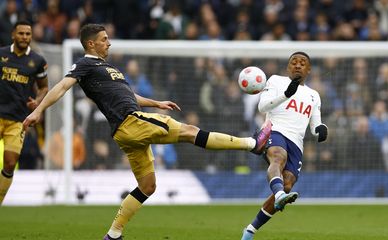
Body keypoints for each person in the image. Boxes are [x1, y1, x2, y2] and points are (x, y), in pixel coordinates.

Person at [22, 24, 271, 240]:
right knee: (189, 131)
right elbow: (62, 86)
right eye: (104, 39)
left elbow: (128, 95)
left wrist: (157, 103)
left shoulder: (108, 69)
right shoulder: (85, 64)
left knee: (147, 186)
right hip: (131, 123)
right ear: (91, 43)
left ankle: (113, 233)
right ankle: (252, 144)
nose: (108, 42)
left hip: (127, 131)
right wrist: (38, 112)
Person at [241, 52, 328, 240]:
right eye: (294, 62)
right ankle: (279, 193)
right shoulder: (275, 81)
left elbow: (315, 124)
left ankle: (250, 230)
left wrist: (321, 130)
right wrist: (286, 93)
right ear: (288, 67)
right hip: (275, 131)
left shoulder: (314, 95)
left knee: (288, 184)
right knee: (278, 157)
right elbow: (262, 107)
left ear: (309, 69)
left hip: (296, 142)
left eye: (302, 63)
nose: (297, 65)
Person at [0, 20, 48, 205]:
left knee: (10, 163)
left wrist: (37, 101)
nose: (24, 37)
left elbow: (44, 87)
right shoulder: (1, 54)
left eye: (28, 34)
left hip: (17, 120)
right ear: (13, 34)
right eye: (21, 33)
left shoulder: (37, 61)